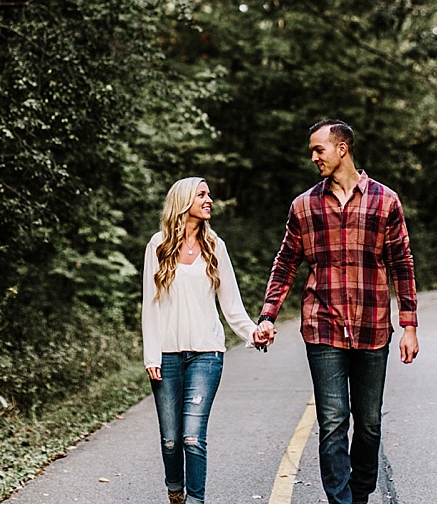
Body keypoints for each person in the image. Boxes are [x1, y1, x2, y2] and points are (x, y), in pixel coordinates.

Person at [252, 120, 419, 505]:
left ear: (342, 149)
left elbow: (402, 264)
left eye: (318, 150)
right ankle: (341, 502)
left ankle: (359, 494)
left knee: (370, 424)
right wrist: (268, 315)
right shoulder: (304, 205)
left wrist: (409, 324)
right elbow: (285, 264)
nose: (313, 157)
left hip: (372, 326)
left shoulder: (385, 201)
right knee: (332, 422)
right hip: (322, 327)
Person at [142, 177, 258, 505]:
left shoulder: (215, 246)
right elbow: (149, 305)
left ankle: (196, 500)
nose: (210, 200)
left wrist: (253, 332)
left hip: (206, 355)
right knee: (170, 440)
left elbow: (232, 305)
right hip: (166, 356)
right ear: (183, 202)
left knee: (192, 437)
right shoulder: (158, 245)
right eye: (202, 195)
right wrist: (151, 355)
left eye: (209, 195)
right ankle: (175, 490)